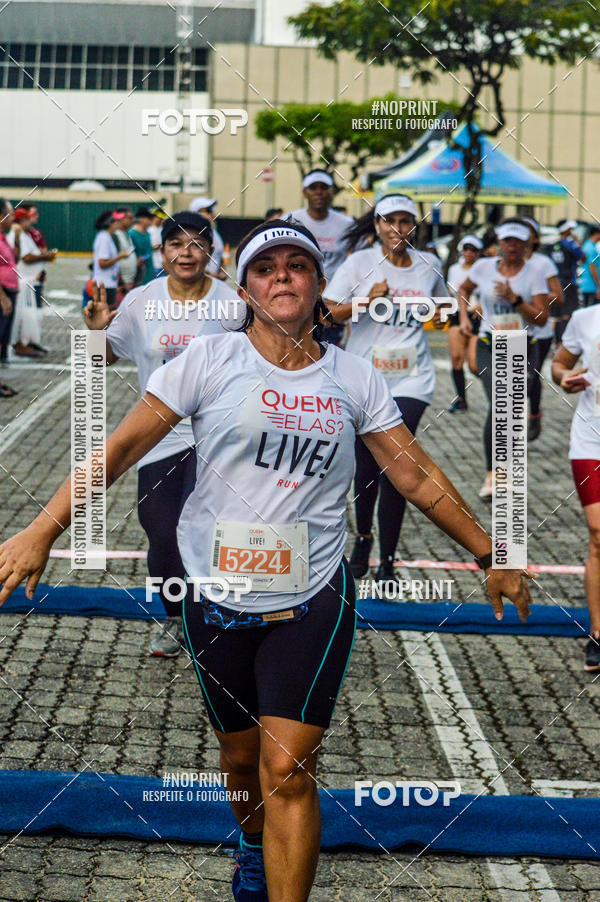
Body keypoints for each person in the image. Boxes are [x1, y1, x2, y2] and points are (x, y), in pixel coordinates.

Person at [0, 217, 532, 902]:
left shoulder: (354, 377)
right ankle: (252, 846)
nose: (283, 275)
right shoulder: (208, 361)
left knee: (290, 771)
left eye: (298, 264)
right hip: (213, 593)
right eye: (266, 267)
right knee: (240, 759)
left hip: (313, 596)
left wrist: (497, 550)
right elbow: (121, 450)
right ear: (246, 290)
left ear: (317, 284)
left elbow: (418, 477)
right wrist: (40, 529)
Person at [84, 211, 243, 658]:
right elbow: (104, 358)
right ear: (163, 251)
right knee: (161, 530)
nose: (186, 252)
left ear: (211, 251)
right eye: (176, 243)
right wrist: (95, 331)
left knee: (213, 531)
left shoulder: (232, 304)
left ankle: (218, 615)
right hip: (159, 436)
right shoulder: (140, 301)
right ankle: (174, 619)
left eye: (196, 243)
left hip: (219, 437)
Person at [323, 194, 447, 581]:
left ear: (415, 226)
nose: (399, 228)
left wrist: (444, 316)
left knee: (398, 462)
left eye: (406, 221)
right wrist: (364, 300)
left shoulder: (430, 265)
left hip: (413, 377)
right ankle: (363, 538)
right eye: (390, 221)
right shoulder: (359, 263)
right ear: (377, 225)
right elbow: (327, 313)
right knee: (367, 467)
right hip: (364, 377)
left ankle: (388, 559)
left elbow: (442, 313)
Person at [458, 220, 549, 499]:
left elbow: (541, 317)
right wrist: (463, 318)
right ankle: (492, 475)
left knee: (509, 409)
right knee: (500, 403)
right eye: (507, 241)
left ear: (527, 245)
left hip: (523, 347)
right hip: (490, 344)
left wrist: (516, 299)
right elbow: (463, 289)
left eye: (517, 242)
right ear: (499, 243)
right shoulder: (484, 267)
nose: (511, 246)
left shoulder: (534, 273)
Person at [552, 309, 600, 671]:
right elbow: (560, 364)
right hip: (591, 442)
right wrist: (565, 377)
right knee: (599, 534)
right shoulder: (585, 318)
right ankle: (599, 633)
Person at [287, 169, 354, 346]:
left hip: (332, 305)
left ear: (332, 191)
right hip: (299, 303)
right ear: (304, 192)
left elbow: (357, 260)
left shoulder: (346, 224)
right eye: (313, 188)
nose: (319, 192)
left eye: (324, 187)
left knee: (330, 355)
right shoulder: (291, 221)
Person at [522, 217, 564, 441]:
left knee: (531, 376)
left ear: (535, 238)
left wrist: (533, 298)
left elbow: (559, 296)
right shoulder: (505, 262)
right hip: (512, 330)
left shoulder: (543, 263)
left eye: (526, 233)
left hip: (540, 331)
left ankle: (534, 413)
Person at [446, 234, 483, 412]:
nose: (469, 252)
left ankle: (497, 393)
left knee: (475, 365)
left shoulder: (484, 269)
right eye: (466, 248)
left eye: (473, 249)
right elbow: (451, 291)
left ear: (478, 252)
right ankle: (461, 399)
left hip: (478, 317)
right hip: (458, 313)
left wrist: (482, 306)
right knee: (456, 359)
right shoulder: (454, 269)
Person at [11, 207, 54, 357]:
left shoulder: (26, 235)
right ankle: (21, 344)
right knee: (26, 314)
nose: (31, 221)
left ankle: (29, 342)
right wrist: (45, 257)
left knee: (33, 314)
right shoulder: (19, 236)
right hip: (26, 282)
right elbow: (26, 258)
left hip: (33, 282)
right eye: (28, 219)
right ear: (21, 221)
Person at [543, 219, 585, 344]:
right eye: (570, 229)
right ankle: (564, 341)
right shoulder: (570, 244)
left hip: (554, 283)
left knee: (556, 314)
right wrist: (577, 243)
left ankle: (556, 341)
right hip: (568, 282)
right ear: (566, 230)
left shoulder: (552, 244)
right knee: (568, 313)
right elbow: (583, 257)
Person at [0, 198, 19, 396]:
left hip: (9, 292)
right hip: (3, 294)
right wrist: (3, 297)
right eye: (10, 214)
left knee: (2, 339)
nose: (13, 218)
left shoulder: (5, 238)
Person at [92, 211, 129, 310]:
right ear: (110, 223)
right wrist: (120, 256)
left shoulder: (107, 236)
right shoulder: (104, 238)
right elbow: (102, 263)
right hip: (104, 284)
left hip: (108, 283)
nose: (119, 223)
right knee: (105, 314)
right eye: (117, 221)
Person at [189, 197, 227, 279]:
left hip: (213, 285)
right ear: (196, 213)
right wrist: (213, 276)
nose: (213, 213)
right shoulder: (192, 235)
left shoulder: (214, 233)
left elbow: (219, 257)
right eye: (208, 210)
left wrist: (222, 272)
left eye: (212, 210)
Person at [112, 208, 137, 301]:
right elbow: (112, 260)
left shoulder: (127, 233)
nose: (132, 220)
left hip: (129, 281)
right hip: (120, 284)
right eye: (129, 218)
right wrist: (119, 283)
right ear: (120, 218)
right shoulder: (115, 235)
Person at [129, 207, 156, 286]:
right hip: (138, 273)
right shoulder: (132, 233)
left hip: (149, 271)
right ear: (142, 219)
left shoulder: (147, 233)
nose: (152, 221)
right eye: (150, 218)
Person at [578, 223, 600, 308]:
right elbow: (592, 267)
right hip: (590, 286)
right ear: (596, 233)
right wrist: (599, 286)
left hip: (590, 285)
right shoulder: (590, 248)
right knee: (590, 312)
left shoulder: (589, 245)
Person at [149, 206, 167, 274]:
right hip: (152, 264)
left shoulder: (162, 229)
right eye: (159, 218)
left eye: (162, 218)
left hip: (162, 264)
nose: (161, 220)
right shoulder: (148, 230)